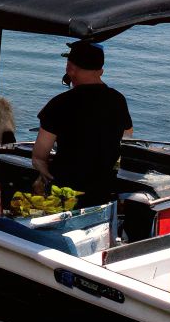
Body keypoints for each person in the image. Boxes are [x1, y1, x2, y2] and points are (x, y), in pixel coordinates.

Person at [32, 41, 133, 207]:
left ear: (70, 69)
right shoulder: (118, 100)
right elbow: (128, 136)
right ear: (101, 71)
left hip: (66, 197)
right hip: (104, 192)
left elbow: (38, 156)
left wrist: (46, 175)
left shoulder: (59, 104)